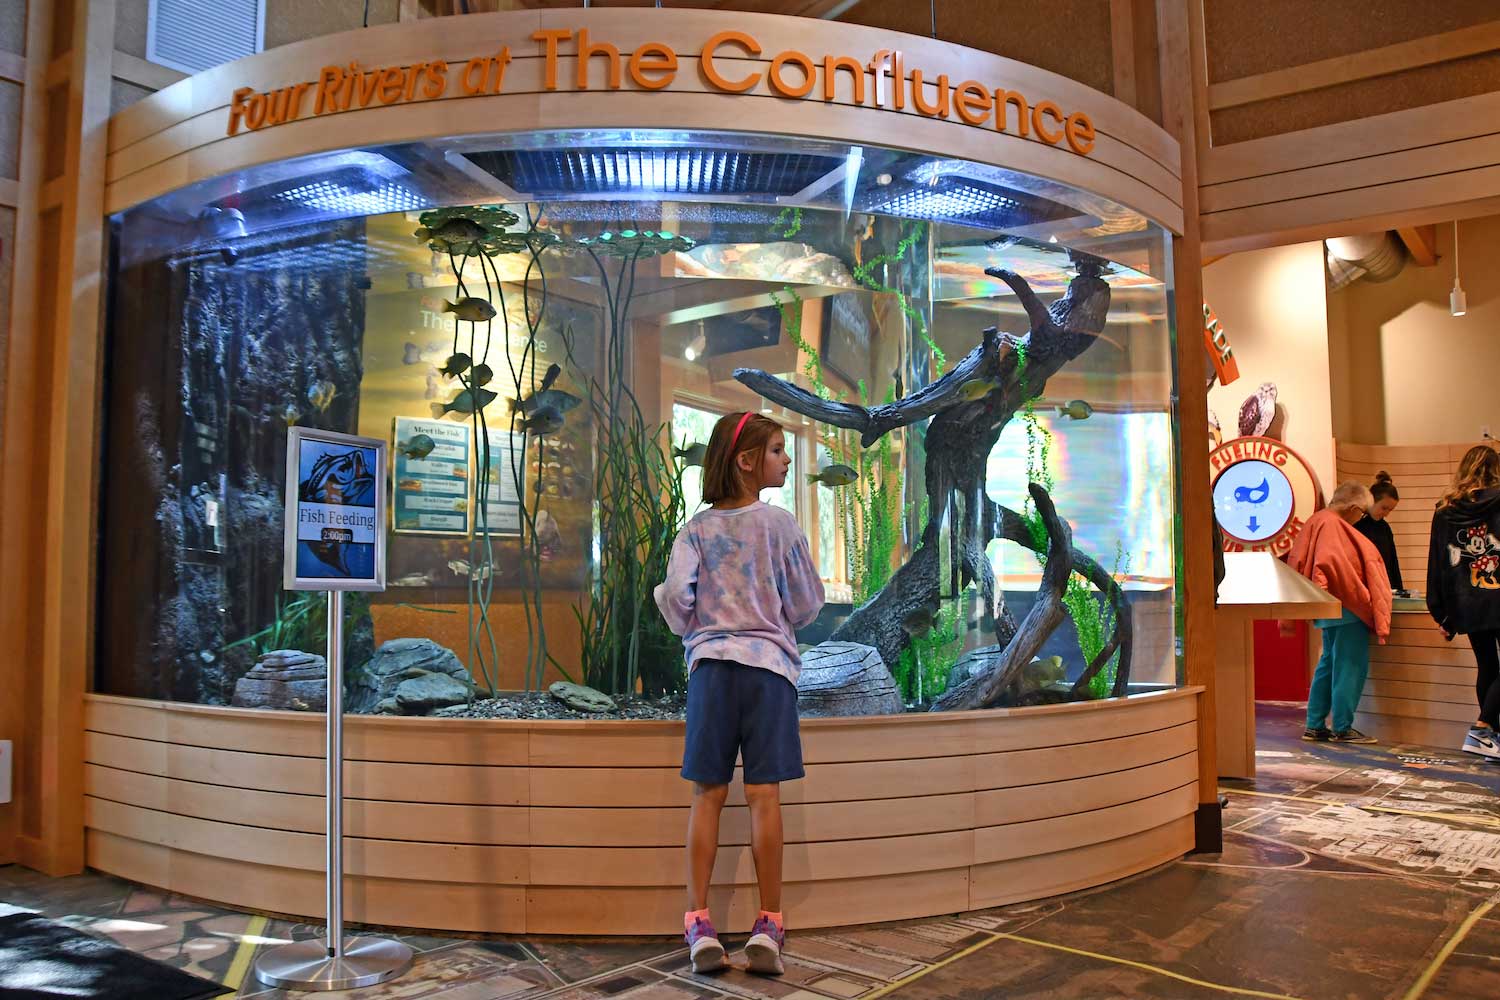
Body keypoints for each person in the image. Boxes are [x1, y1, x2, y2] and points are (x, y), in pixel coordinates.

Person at [653, 410, 824, 976]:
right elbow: (805, 606)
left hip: (711, 674)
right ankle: (769, 923)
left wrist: (666, 595)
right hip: (768, 673)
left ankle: (698, 923)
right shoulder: (779, 525)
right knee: (764, 797)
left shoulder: (694, 531)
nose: (787, 457)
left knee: (707, 796)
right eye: (778, 449)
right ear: (747, 461)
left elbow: (678, 608)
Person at [1288, 481, 1392, 743]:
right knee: (1350, 665)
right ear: (1354, 508)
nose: (1361, 519)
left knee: (1328, 663)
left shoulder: (1317, 520)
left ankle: (1315, 724)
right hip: (1346, 606)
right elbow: (1337, 568)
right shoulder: (1334, 525)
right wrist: (1365, 600)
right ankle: (1343, 727)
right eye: (1362, 514)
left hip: (1328, 606)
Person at [1426, 444, 1500, 759]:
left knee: (1487, 665)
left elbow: (1437, 563)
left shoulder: (1445, 510)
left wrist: (1441, 614)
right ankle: (1483, 727)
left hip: (1467, 601)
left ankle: (1491, 736)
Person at [1355, 472, 1403, 594]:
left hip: (1384, 588)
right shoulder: (1356, 525)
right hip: (1363, 588)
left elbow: (1393, 563)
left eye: (1390, 510)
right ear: (1372, 500)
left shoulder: (1385, 528)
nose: (1386, 513)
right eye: (1384, 508)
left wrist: (1399, 590)